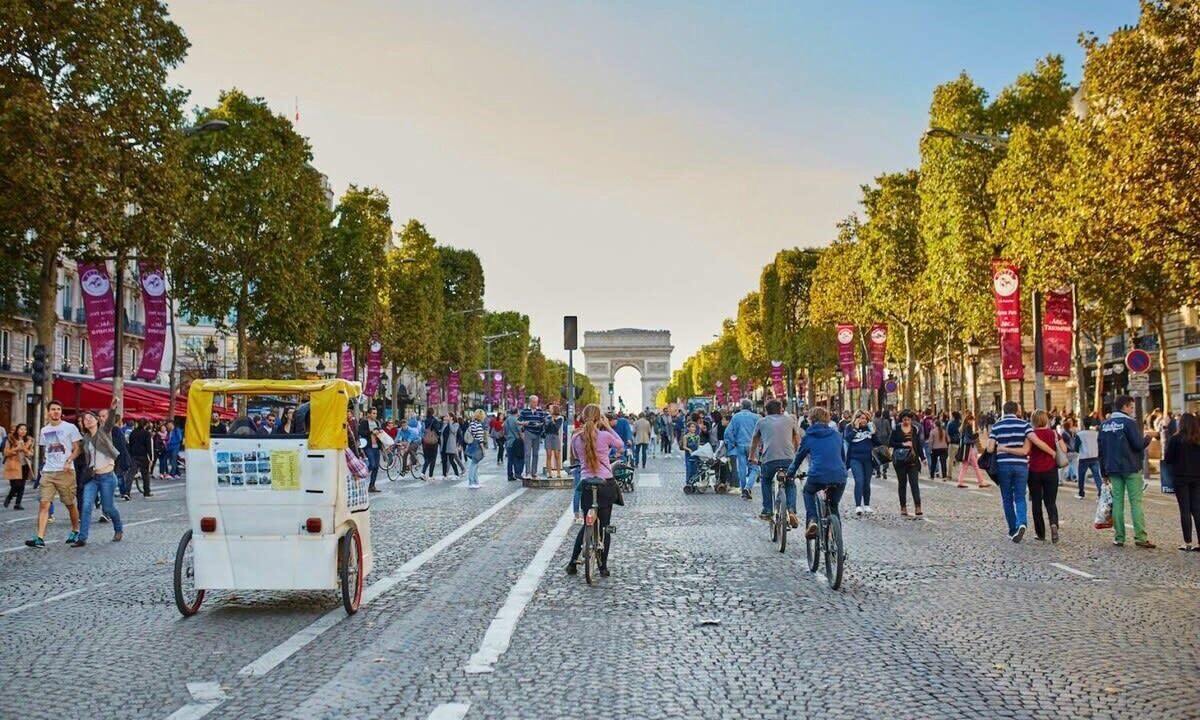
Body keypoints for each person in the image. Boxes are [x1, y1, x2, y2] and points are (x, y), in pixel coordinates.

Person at [565, 404, 624, 577]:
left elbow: (575, 456)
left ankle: (572, 564)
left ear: (583, 418)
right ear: (599, 418)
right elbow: (620, 445)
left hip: (586, 485)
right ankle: (603, 567)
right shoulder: (605, 436)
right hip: (605, 484)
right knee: (604, 527)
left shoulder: (576, 438)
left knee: (586, 524)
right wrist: (606, 426)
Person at [1098, 395, 1156, 549]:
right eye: (1131, 407)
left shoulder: (1104, 425)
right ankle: (1140, 537)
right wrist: (1148, 438)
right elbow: (1137, 445)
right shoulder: (1129, 423)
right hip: (1130, 467)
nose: (1132, 410)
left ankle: (1119, 537)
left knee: (1117, 502)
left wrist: (1103, 473)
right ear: (1124, 407)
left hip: (1113, 469)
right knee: (1135, 502)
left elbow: (1101, 451)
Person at [26, 400, 83, 548]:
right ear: (48, 412)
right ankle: (40, 537)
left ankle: (76, 530)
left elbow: (77, 448)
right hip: (49, 471)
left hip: (66, 471)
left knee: (69, 504)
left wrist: (69, 460)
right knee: (44, 503)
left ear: (61, 412)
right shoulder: (44, 430)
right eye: (53, 409)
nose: (56, 411)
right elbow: (48, 449)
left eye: (58, 409)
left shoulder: (70, 428)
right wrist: (44, 463)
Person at [787, 407, 846, 539]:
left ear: (811, 420)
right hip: (839, 475)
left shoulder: (809, 437)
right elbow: (843, 457)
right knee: (833, 505)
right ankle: (837, 539)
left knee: (808, 491)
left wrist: (790, 473)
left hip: (818, 475)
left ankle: (812, 520)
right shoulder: (837, 435)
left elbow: (798, 458)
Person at [73, 406, 125, 546]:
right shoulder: (86, 438)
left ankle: (118, 529)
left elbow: (109, 422)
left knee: (108, 508)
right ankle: (82, 538)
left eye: (91, 417)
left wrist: (113, 408)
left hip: (107, 477)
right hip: (92, 478)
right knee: (86, 506)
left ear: (97, 420)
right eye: (85, 419)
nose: (88, 420)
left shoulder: (104, 432)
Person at [750, 399, 802, 525]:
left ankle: (767, 509)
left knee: (766, 480)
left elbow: (755, 440)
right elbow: (797, 438)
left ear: (766, 411)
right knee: (790, 483)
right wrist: (795, 451)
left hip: (769, 459)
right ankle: (791, 510)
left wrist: (751, 456)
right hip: (788, 458)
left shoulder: (761, 422)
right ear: (781, 409)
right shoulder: (790, 420)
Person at [990, 401, 1034, 543]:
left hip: (1003, 466)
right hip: (1021, 465)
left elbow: (990, 448)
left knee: (1007, 498)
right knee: (1020, 496)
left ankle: (1012, 529)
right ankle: (1021, 522)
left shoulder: (997, 426)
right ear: (1017, 411)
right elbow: (1030, 444)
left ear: (1003, 411)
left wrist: (1001, 447)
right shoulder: (1025, 425)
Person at [1162, 413, 1200, 551]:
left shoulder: (1175, 439)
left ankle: (1187, 542)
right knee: (1197, 509)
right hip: (1197, 477)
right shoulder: (1198, 439)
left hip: (1181, 477)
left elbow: (1168, 458)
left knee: (1185, 510)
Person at [1027, 410, 1065, 544]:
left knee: (1036, 502)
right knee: (1050, 501)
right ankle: (1054, 524)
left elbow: (1027, 451)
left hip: (1034, 470)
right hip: (1051, 471)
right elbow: (1064, 450)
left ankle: (1040, 533)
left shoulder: (1031, 435)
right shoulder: (1054, 433)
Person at [844, 411, 880, 516]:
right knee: (859, 481)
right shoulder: (849, 428)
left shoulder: (869, 428)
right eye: (860, 418)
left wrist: (873, 432)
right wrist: (855, 429)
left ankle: (867, 505)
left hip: (868, 459)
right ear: (856, 419)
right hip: (855, 459)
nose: (863, 420)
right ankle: (858, 505)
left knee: (866, 482)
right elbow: (848, 439)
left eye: (864, 418)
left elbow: (878, 442)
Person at [890, 411, 925, 517]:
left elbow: (918, 444)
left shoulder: (915, 429)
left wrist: (923, 458)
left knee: (914, 484)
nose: (907, 422)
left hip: (913, 459)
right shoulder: (896, 429)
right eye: (905, 419)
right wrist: (903, 444)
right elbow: (891, 443)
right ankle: (903, 507)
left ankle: (918, 506)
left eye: (909, 420)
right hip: (900, 460)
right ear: (901, 420)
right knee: (902, 484)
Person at [725, 399, 761, 501]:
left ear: (741, 406)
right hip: (753, 445)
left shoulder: (736, 417)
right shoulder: (756, 417)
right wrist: (761, 443)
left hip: (740, 445)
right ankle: (748, 487)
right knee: (754, 467)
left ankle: (743, 489)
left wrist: (733, 442)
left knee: (741, 467)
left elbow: (728, 433)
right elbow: (760, 432)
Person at [518, 395, 549, 480]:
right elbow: (518, 421)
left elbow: (544, 421)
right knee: (527, 453)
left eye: (536, 402)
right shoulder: (524, 411)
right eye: (534, 402)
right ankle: (527, 473)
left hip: (537, 434)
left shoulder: (540, 411)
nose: (536, 404)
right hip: (528, 433)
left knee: (536, 454)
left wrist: (541, 424)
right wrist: (524, 423)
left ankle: (534, 472)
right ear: (530, 402)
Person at [956, 412, 990, 488]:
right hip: (969, 448)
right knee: (975, 466)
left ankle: (960, 481)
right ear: (969, 420)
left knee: (965, 466)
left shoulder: (963, 427)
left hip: (966, 448)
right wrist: (977, 434)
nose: (972, 422)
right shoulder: (968, 427)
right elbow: (970, 437)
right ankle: (981, 482)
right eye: (972, 420)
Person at [4, 423, 34, 510]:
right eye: (21, 429)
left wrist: (25, 449)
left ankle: (18, 503)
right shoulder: (10, 439)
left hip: (25, 464)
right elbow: (6, 452)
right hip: (14, 464)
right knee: (16, 485)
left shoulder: (29, 440)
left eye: (25, 429)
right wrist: (17, 448)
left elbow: (31, 453)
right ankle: (9, 497)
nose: (23, 431)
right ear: (17, 430)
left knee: (22, 485)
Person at [357, 407, 383, 493]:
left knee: (376, 467)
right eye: (373, 413)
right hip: (368, 446)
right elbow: (361, 432)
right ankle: (361, 475)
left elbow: (381, 434)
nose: (375, 415)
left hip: (377, 447)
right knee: (372, 464)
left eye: (376, 413)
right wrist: (371, 432)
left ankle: (372, 486)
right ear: (368, 414)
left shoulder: (377, 422)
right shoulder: (364, 422)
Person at [1076, 418, 1102, 498]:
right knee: (1096, 475)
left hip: (1084, 457)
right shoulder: (1096, 433)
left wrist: (1079, 451)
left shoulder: (1079, 434)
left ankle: (1081, 492)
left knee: (1081, 476)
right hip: (1094, 456)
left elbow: (1076, 447)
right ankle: (1100, 492)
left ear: (1083, 424)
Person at [128, 419, 153, 497]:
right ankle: (146, 492)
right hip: (143, 455)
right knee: (145, 475)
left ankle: (126, 492)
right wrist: (151, 457)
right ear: (146, 425)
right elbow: (149, 446)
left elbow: (130, 443)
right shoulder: (147, 434)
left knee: (130, 475)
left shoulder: (133, 432)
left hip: (134, 455)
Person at [464, 410, 487, 489]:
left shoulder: (472, 423)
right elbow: (480, 439)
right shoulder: (479, 425)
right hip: (477, 445)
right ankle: (471, 482)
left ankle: (476, 482)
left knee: (475, 464)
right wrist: (483, 449)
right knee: (474, 464)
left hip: (471, 444)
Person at [544, 405, 565, 479]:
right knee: (549, 455)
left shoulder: (560, 418)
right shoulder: (547, 417)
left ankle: (558, 473)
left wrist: (552, 420)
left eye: (551, 409)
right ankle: (549, 473)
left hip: (555, 436)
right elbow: (546, 429)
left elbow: (556, 427)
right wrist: (547, 423)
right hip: (548, 436)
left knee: (557, 455)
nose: (550, 410)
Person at [440, 414, 462, 479]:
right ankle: (444, 474)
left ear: (451, 417)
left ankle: (457, 474)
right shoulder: (445, 424)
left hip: (450, 445)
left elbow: (453, 430)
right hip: (444, 444)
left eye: (447, 416)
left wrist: (450, 423)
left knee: (451, 460)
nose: (446, 417)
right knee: (444, 460)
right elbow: (442, 433)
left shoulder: (456, 424)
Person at [871, 410, 892, 480]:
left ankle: (878, 472)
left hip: (876, 441)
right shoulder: (886, 421)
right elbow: (889, 431)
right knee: (886, 456)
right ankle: (884, 471)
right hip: (885, 440)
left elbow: (872, 432)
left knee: (877, 456)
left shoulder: (873, 421)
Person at [421, 411, 441, 481]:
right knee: (433, 458)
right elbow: (437, 430)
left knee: (427, 458)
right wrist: (438, 435)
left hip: (425, 441)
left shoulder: (424, 421)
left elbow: (421, 431)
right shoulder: (434, 420)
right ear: (433, 413)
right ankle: (430, 475)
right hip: (433, 442)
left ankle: (422, 473)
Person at [503, 408, 522, 482]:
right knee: (517, 458)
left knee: (510, 460)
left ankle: (510, 475)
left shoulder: (506, 420)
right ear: (517, 412)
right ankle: (517, 473)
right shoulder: (515, 420)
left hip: (508, 441)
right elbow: (519, 431)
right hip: (515, 441)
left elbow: (504, 431)